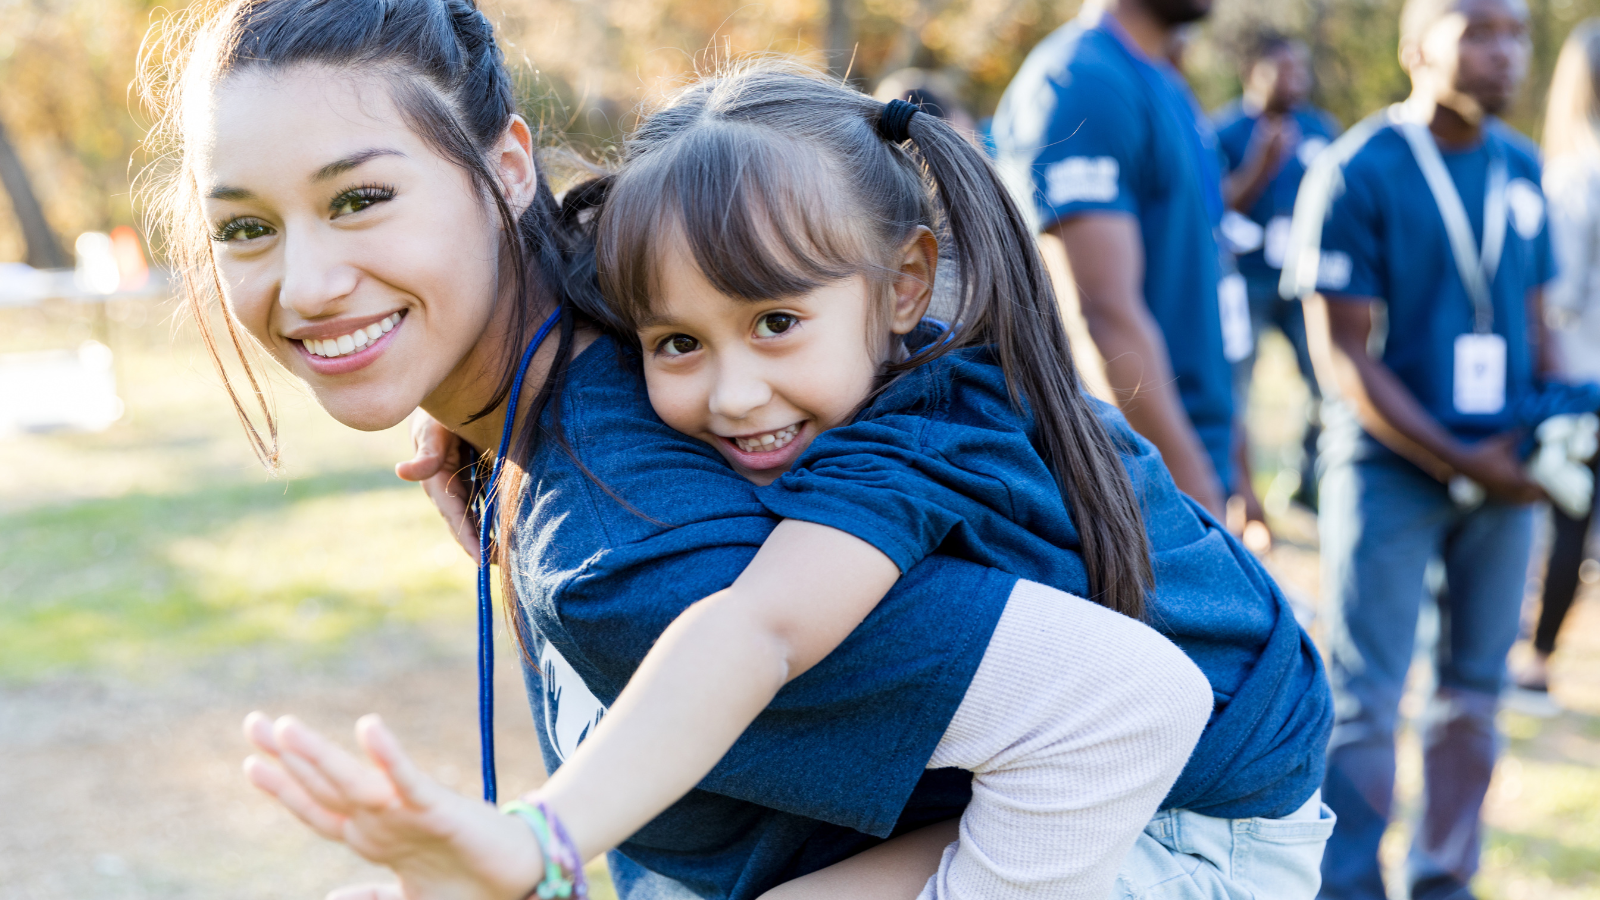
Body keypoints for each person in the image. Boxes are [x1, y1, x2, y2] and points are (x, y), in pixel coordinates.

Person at [140, 2, 1325, 897]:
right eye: (245, 225)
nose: (304, 283)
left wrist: (540, 844)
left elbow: (1114, 706)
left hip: (1193, 808)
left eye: (359, 200)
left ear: (506, 168)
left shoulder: (637, 546)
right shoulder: (655, 288)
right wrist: (447, 409)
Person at [1282, 0, 1553, 897]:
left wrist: (1553, 436)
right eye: (1478, 30)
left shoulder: (1521, 166)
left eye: (1516, 32)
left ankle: (1445, 878)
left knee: (1475, 693)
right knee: (1366, 697)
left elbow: (1539, 325)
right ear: (1414, 47)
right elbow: (1342, 358)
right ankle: (1349, 883)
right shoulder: (1359, 168)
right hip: (1389, 467)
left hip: (1505, 472)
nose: (1505, 51)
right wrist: (1460, 458)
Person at [992, 0, 1240, 518]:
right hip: (1141, 483)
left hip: (1190, 454)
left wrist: (1233, 463)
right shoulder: (1082, 81)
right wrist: (1196, 499)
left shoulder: (1163, 80)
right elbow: (1102, 315)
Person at [1214, 33, 1341, 512]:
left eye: (1300, 70)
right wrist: (1260, 167)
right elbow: (1216, 208)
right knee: (1238, 385)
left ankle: (1305, 481)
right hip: (1246, 281)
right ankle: (1235, 489)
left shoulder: (1320, 130)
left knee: (1325, 379)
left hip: (1305, 280)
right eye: (1282, 70)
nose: (1295, 81)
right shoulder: (1224, 132)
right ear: (1254, 73)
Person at [1513, 19, 1600, 695]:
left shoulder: (1575, 177)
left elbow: (1558, 294)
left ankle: (1537, 663)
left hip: (1579, 379)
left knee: (1565, 519)